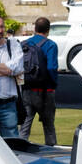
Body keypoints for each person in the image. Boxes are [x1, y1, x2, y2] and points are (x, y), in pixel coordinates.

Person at [21, 16, 59, 145]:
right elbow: (51, 68)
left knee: (25, 125)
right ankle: (51, 154)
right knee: (49, 126)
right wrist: (54, 83)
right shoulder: (50, 45)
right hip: (46, 90)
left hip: (27, 88)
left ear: (34, 28)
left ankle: (19, 152)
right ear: (48, 30)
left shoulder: (25, 44)